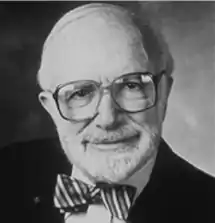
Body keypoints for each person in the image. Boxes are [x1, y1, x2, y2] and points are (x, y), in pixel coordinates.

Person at [0, 2, 214, 223]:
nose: (108, 118)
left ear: (164, 94)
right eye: (81, 93)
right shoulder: (8, 171)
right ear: (51, 108)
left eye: (131, 86)